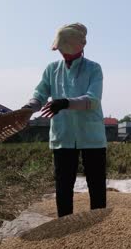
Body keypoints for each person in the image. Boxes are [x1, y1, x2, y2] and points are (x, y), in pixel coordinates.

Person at [22, 23, 107, 217]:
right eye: (61, 50)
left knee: (96, 182)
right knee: (63, 184)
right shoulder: (52, 69)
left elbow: (93, 100)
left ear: (79, 48)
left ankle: (101, 224)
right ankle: (65, 223)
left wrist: (65, 103)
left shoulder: (94, 69)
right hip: (63, 135)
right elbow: (40, 93)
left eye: (67, 50)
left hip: (91, 136)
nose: (64, 54)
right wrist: (30, 107)